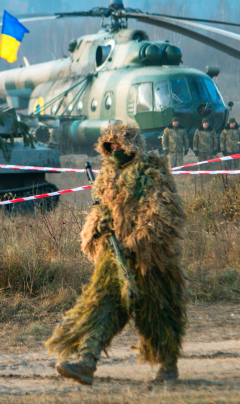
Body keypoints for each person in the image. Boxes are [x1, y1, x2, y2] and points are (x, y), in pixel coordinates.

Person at [46, 123, 188, 385]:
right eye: (110, 146)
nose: (115, 149)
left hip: (149, 261)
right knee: (100, 307)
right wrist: (97, 228)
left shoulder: (151, 172)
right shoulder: (105, 177)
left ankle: (168, 366)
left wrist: (136, 241)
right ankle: (87, 362)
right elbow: (99, 212)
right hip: (113, 260)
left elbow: (163, 213)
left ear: (132, 146)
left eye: (119, 145)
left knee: (157, 313)